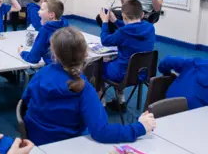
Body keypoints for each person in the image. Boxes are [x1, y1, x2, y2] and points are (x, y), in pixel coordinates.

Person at [22, 26, 157, 146]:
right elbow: (102, 132)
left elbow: (25, 101)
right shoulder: (84, 89)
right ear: (85, 54)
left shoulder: (41, 74)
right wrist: (140, 127)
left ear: (54, 53)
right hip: (65, 146)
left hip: (34, 139)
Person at [99, 0, 156, 110]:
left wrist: (105, 22)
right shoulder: (150, 27)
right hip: (143, 73)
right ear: (143, 14)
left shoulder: (123, 33)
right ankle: (121, 101)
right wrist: (115, 20)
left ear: (124, 17)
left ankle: (102, 103)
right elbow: (131, 28)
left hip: (123, 75)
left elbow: (105, 40)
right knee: (119, 62)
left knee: (99, 65)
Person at [18, 0, 68, 65]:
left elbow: (33, 58)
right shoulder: (66, 27)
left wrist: (22, 52)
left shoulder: (45, 30)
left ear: (51, 15)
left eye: (41, 9)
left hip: (54, 68)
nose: (38, 11)